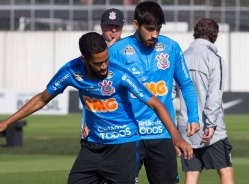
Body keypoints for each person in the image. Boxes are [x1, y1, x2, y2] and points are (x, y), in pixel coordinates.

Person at [0, 32, 193, 184]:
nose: (104, 67)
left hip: (123, 147)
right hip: (93, 147)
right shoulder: (72, 72)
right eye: (98, 63)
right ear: (84, 59)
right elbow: (42, 98)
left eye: (106, 61)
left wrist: (175, 136)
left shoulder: (120, 73)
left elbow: (155, 102)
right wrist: (7, 122)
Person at [108, 1, 200, 184]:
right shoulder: (117, 51)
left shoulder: (171, 47)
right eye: (149, 29)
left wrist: (194, 116)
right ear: (136, 25)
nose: (154, 35)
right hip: (128, 135)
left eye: (158, 29)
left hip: (163, 134)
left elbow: (186, 84)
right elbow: (103, 91)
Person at [176, 18, 235, 184]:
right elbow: (214, 96)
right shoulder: (214, 59)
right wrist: (211, 123)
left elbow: (172, 91)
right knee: (225, 170)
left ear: (195, 33)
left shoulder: (181, 57)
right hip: (210, 129)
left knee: (192, 174)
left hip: (186, 127)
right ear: (215, 35)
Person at [80, 8, 125, 141]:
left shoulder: (129, 49)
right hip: (97, 113)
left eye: (117, 26)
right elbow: (86, 89)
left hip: (122, 115)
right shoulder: (91, 50)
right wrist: (85, 121)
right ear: (101, 26)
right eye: (109, 26)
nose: (113, 30)